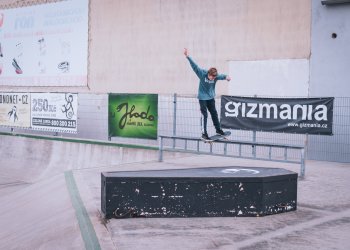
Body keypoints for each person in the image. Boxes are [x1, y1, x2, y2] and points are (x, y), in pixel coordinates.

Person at [184, 48, 231, 140]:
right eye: (211, 78)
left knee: (214, 113)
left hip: (210, 98)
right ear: (208, 74)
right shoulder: (202, 73)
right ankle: (204, 133)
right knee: (204, 115)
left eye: (214, 78)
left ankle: (218, 130)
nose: (212, 79)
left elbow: (222, 76)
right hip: (202, 98)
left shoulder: (215, 76)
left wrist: (227, 77)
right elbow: (195, 66)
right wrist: (187, 56)